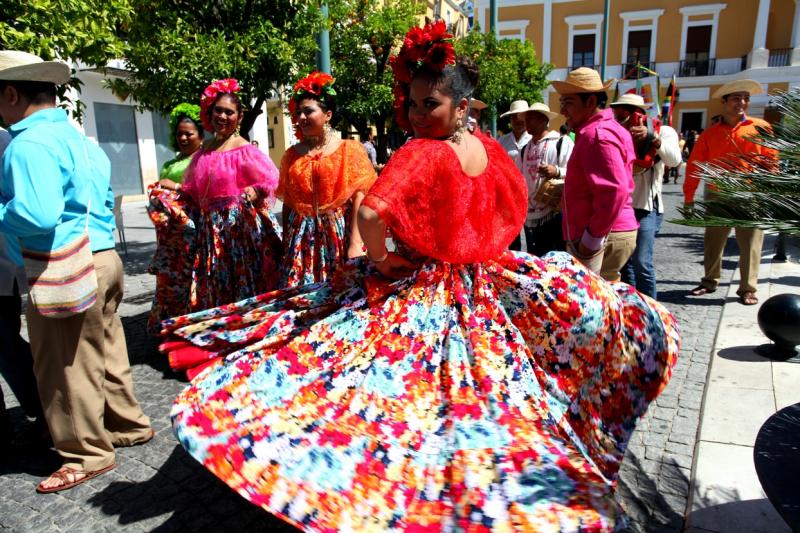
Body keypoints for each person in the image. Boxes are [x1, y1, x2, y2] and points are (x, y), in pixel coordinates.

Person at [160, 22, 679, 530]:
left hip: (429, 288)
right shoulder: (493, 149)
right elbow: (513, 210)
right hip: (482, 285)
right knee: (486, 391)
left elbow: (368, 216)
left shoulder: (423, 151)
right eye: (411, 102)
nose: (415, 113)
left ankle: (401, 489)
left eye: (428, 104)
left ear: (460, 106)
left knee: (363, 385)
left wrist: (384, 261)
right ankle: (479, 488)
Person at [0, 50, 152, 492]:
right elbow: (102, 202)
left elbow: (38, 214)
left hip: (62, 261)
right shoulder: (80, 140)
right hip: (103, 255)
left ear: (11, 93)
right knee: (105, 348)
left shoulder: (28, 144)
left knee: (62, 366)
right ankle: (128, 424)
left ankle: (86, 454)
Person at [162, 78, 283, 377]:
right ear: (210, 112)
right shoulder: (205, 150)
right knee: (214, 283)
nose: (223, 117)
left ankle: (246, 339)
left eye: (230, 112)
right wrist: (173, 189)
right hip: (210, 231)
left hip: (238, 230)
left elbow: (269, 180)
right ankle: (219, 340)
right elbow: (193, 188)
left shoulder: (245, 150)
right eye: (218, 110)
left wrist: (254, 193)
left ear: (240, 118)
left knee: (241, 284)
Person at [278, 72, 377, 288]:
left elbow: (361, 197)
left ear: (328, 114)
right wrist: (286, 241)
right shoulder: (292, 154)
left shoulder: (349, 150)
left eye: (309, 111)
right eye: (299, 113)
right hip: (301, 238)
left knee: (339, 295)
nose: (302, 118)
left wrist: (356, 242)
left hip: (337, 234)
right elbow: (288, 203)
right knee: (300, 301)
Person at [684, 79, 777, 305]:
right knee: (713, 242)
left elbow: (772, 161)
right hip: (718, 194)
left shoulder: (761, 127)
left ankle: (747, 288)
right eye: (736, 98)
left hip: (751, 194)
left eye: (745, 98)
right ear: (724, 102)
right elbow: (695, 166)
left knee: (752, 244)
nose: (742, 103)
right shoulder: (709, 134)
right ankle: (709, 281)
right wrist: (689, 197)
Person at [553, 67, 639, 282]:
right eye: (562, 103)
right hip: (608, 231)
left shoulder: (597, 135)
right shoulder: (605, 130)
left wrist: (590, 241)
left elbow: (614, 191)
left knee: (594, 302)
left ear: (590, 102)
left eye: (568, 103)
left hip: (603, 234)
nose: (563, 111)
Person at [0, 126, 48, 450]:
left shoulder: (4, 140)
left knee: (5, 343)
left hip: (1, 263)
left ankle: (46, 410)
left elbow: (18, 201)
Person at [611, 94, 682, 300]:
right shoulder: (615, 132)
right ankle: (633, 306)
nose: (623, 115)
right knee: (625, 264)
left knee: (642, 262)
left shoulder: (663, 130)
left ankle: (652, 310)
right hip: (621, 208)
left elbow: (675, 160)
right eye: (620, 110)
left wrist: (653, 138)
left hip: (646, 207)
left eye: (627, 109)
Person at [145, 103, 203, 334]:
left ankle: (188, 328)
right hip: (170, 239)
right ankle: (168, 326)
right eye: (179, 133)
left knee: (189, 280)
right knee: (169, 280)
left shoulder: (203, 159)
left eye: (189, 133)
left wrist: (176, 186)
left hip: (192, 235)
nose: (183, 137)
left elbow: (203, 192)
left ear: (200, 134)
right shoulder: (170, 163)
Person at [510, 102, 573, 255]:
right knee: (535, 257)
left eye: (532, 118)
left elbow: (574, 173)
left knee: (554, 258)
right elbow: (519, 177)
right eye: (527, 118)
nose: (527, 122)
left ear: (544, 120)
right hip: (530, 213)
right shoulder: (525, 149)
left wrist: (556, 171)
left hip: (554, 212)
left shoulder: (561, 142)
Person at [496, 99, 531, 164]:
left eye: (522, 116)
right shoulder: (502, 141)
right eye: (514, 116)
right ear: (510, 119)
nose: (518, 120)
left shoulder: (533, 140)